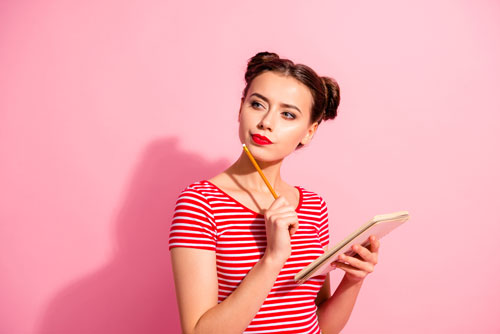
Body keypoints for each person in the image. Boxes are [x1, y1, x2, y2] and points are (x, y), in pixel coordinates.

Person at [168, 51, 380, 334]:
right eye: (257, 104)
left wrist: (353, 281)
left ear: (309, 131)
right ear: (241, 108)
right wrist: (273, 258)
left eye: (288, 114)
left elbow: (319, 326)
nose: (266, 122)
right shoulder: (199, 203)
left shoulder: (313, 207)